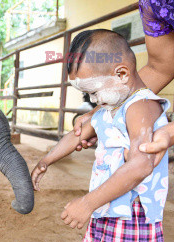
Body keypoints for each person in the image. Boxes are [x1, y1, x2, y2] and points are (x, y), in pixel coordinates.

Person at [32, 29, 170, 242]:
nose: (92, 99)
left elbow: (141, 165)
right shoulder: (109, 105)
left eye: (93, 91)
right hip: (107, 211)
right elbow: (78, 134)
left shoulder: (140, 107)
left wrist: (87, 203)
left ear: (121, 74)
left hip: (131, 218)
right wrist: (47, 160)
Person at [73, 2, 174, 161]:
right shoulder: (153, 3)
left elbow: (138, 165)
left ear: (121, 74)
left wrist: (169, 132)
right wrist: (97, 112)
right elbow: (161, 66)